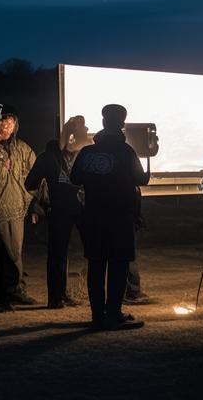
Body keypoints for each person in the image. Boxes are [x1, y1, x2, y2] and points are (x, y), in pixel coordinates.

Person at [70, 104, 150, 330]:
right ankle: (113, 314)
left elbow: (75, 178)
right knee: (118, 265)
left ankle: (97, 316)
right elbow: (141, 180)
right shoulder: (126, 152)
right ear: (121, 124)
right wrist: (148, 158)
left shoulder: (87, 152)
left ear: (104, 122)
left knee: (96, 266)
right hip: (120, 218)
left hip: (93, 217)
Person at [0, 103, 39, 311]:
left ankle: (14, 291)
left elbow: (36, 174)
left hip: (16, 211)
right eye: (3, 120)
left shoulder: (20, 148)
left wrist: (34, 201)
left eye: (11, 121)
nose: (8, 124)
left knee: (14, 255)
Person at [25, 115, 89, 309]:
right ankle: (57, 297)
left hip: (70, 210)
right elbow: (31, 183)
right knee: (60, 254)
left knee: (60, 254)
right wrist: (44, 200)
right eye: (82, 135)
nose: (86, 139)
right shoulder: (52, 157)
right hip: (67, 210)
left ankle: (58, 297)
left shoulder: (52, 157)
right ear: (72, 137)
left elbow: (30, 183)